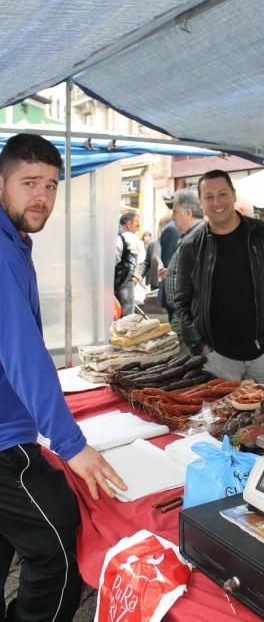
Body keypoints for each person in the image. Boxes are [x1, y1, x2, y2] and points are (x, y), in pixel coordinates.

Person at [0, 134, 126, 622]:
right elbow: (22, 350)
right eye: (29, 183)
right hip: (6, 443)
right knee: (55, 549)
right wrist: (70, 443)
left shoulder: (16, 242)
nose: (42, 197)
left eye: (51, 185)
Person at [175, 170, 264, 392]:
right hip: (217, 361)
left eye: (222, 194)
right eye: (209, 197)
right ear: (201, 202)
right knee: (221, 424)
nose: (217, 202)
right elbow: (182, 301)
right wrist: (201, 347)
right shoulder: (191, 245)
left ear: (233, 195)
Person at [164, 189, 204, 349]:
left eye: (175, 212)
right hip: (184, 314)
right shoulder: (191, 235)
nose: (173, 217)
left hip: (188, 315)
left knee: (183, 361)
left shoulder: (198, 236)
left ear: (188, 213)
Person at [114, 212, 142, 316]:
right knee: (127, 314)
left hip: (117, 282)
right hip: (124, 282)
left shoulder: (116, 235)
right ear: (128, 224)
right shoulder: (128, 237)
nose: (138, 228)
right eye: (137, 224)